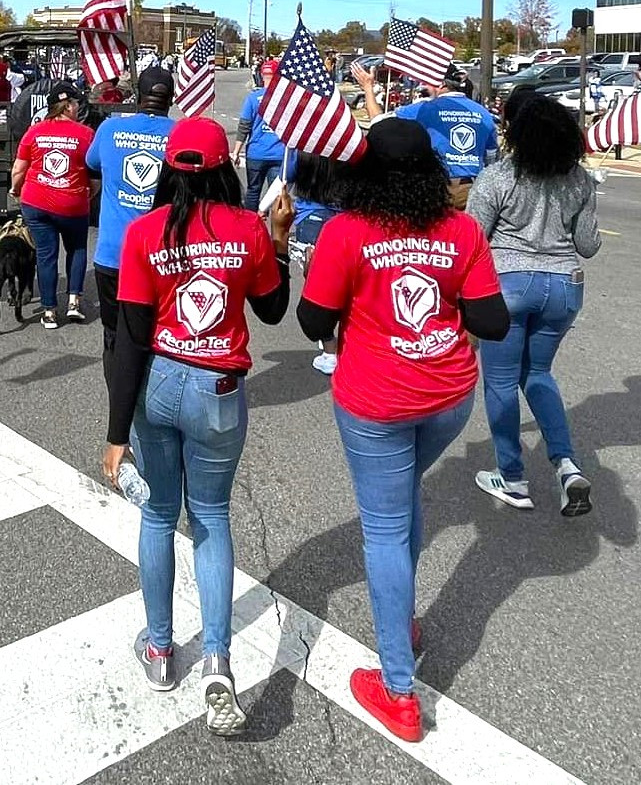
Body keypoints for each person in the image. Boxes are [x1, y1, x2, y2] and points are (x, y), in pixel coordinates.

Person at [295, 119, 508, 743]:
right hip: (448, 397)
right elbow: (491, 321)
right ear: (431, 174)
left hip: (376, 403)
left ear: (365, 172)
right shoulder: (461, 230)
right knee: (405, 497)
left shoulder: (347, 231)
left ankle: (397, 690)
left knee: (385, 529)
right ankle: (403, 615)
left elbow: (312, 318)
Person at [102, 117, 292, 734]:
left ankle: (159, 648)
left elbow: (129, 341)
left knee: (159, 513)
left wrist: (115, 433)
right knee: (210, 516)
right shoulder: (247, 230)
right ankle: (217, 659)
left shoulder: (143, 233)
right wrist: (280, 239)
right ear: (222, 170)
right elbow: (271, 308)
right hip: (219, 387)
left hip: (159, 380)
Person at [467, 95, 601, 516]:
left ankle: (512, 475)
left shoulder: (496, 178)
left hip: (508, 285)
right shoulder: (578, 180)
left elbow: (472, 240)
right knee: (539, 374)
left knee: (501, 383)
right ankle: (566, 464)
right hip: (564, 286)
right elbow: (588, 245)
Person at [86, 66, 176, 382]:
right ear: (172, 98)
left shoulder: (110, 130)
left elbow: (92, 163)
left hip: (112, 254)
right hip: (159, 255)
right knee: (154, 333)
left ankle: (119, 395)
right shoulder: (179, 135)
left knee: (113, 334)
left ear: (137, 96)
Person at [10, 81, 96, 330]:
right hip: (73, 203)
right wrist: (87, 195)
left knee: (46, 255)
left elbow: (19, 169)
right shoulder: (85, 134)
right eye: (76, 103)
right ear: (67, 106)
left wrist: (16, 189)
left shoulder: (35, 131)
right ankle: (73, 301)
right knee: (77, 249)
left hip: (37, 202)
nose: (78, 107)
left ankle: (48, 310)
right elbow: (94, 175)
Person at [353, 61, 497, 209]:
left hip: (437, 189)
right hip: (473, 191)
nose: (425, 88)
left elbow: (380, 123)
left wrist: (368, 88)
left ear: (440, 84)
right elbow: (491, 157)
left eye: (428, 83)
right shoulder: (483, 113)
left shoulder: (424, 109)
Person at [285, 151, 342, 375]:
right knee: (345, 282)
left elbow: (285, 178)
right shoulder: (348, 147)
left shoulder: (302, 151)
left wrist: (264, 208)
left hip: (310, 219)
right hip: (343, 218)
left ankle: (329, 345)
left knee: (316, 287)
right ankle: (335, 343)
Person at [236, 59, 286, 211]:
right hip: (278, 153)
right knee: (277, 196)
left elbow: (244, 125)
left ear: (262, 75)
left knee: (253, 191)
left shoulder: (253, 98)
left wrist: (236, 151)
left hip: (256, 153)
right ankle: (277, 232)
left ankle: (249, 229)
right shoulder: (286, 99)